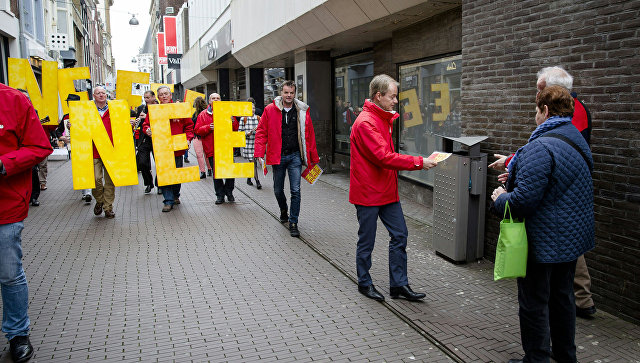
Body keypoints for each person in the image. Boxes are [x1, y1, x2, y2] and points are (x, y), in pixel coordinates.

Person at [491, 86, 594, 363]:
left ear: (545, 111)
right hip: (571, 240)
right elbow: (559, 183)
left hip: (543, 241)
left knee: (534, 303)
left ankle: (536, 359)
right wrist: (516, 174)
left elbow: (523, 202)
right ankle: (565, 357)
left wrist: (502, 197)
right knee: (562, 299)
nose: (534, 116)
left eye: (536, 110)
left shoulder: (540, 145)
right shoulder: (576, 140)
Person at [349, 74, 437, 302]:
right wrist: (419, 162)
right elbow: (383, 157)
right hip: (368, 192)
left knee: (400, 235)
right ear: (378, 96)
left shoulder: (381, 118)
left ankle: (398, 285)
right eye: (393, 96)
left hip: (386, 191)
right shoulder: (366, 122)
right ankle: (364, 283)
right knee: (367, 240)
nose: (396, 100)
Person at [0, 83, 53, 362]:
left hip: (5, 206)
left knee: (9, 273)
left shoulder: (13, 100)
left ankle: (18, 333)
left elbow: (39, 146)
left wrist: (4, 163)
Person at [254, 80, 319, 237]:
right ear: (281, 93)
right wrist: (259, 153)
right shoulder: (270, 110)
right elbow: (261, 132)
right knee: (277, 190)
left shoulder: (302, 111)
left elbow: (309, 135)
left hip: (295, 156)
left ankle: (293, 221)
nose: (289, 95)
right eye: (286, 92)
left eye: (291, 92)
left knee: (295, 190)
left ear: (294, 93)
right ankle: (284, 209)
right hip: (278, 156)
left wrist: (313, 158)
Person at [142, 86, 194, 212]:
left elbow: (189, 125)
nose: (164, 96)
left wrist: (188, 139)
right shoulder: (153, 110)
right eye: (161, 94)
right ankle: (168, 200)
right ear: (158, 97)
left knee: (177, 175)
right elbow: (146, 124)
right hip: (162, 148)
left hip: (177, 147)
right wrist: (147, 129)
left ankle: (176, 195)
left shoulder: (179, 108)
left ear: (170, 95)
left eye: (166, 94)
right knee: (164, 174)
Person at [195, 93, 237, 204]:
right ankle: (220, 195)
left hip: (227, 147)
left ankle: (229, 192)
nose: (216, 100)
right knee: (217, 174)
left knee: (230, 173)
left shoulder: (228, 112)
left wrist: (233, 122)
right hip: (212, 149)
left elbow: (236, 128)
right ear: (209, 101)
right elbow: (197, 130)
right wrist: (208, 127)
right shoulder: (203, 115)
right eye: (213, 98)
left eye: (218, 98)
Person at [56, 94, 93, 203]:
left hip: (86, 145)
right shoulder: (66, 117)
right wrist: (61, 137)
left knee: (86, 168)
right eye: (69, 103)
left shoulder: (86, 115)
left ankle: (88, 192)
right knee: (79, 169)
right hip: (73, 146)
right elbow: (58, 130)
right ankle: (84, 192)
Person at [91, 86, 117, 219]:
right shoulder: (88, 110)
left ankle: (108, 207)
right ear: (94, 96)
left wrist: (129, 123)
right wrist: (71, 126)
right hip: (94, 150)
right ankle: (100, 200)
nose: (101, 95)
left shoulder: (115, 109)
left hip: (111, 150)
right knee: (96, 179)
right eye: (98, 93)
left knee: (110, 181)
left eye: (103, 93)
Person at [134, 90, 159, 194]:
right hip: (144, 139)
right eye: (145, 97)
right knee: (143, 162)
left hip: (156, 138)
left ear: (153, 97)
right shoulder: (141, 108)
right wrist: (135, 122)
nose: (146, 100)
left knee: (159, 163)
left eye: (148, 97)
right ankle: (149, 183)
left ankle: (160, 184)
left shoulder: (159, 107)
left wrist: (149, 118)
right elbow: (138, 124)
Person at [239, 100, 261, 189]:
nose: (252, 110)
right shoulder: (243, 119)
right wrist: (247, 133)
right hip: (248, 144)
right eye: (250, 108)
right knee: (253, 163)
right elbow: (239, 133)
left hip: (256, 144)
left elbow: (263, 131)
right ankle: (257, 181)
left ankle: (249, 178)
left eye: (253, 108)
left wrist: (258, 131)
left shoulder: (259, 118)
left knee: (253, 163)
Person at [191, 96, 211, 179]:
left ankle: (203, 171)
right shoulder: (206, 113)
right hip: (205, 135)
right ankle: (209, 169)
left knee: (199, 155)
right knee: (207, 154)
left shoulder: (195, 115)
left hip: (197, 137)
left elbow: (192, 125)